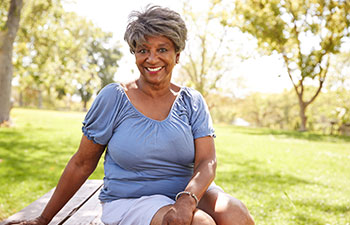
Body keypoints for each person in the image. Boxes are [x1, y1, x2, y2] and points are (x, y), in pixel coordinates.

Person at [7, 5, 254, 225]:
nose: (152, 58)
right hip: (130, 201)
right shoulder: (114, 98)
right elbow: (82, 163)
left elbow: (206, 162)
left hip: (186, 195)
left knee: (236, 214)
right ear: (134, 54)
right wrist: (43, 219)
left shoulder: (192, 102)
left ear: (177, 55)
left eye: (162, 49)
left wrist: (187, 199)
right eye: (143, 49)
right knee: (199, 223)